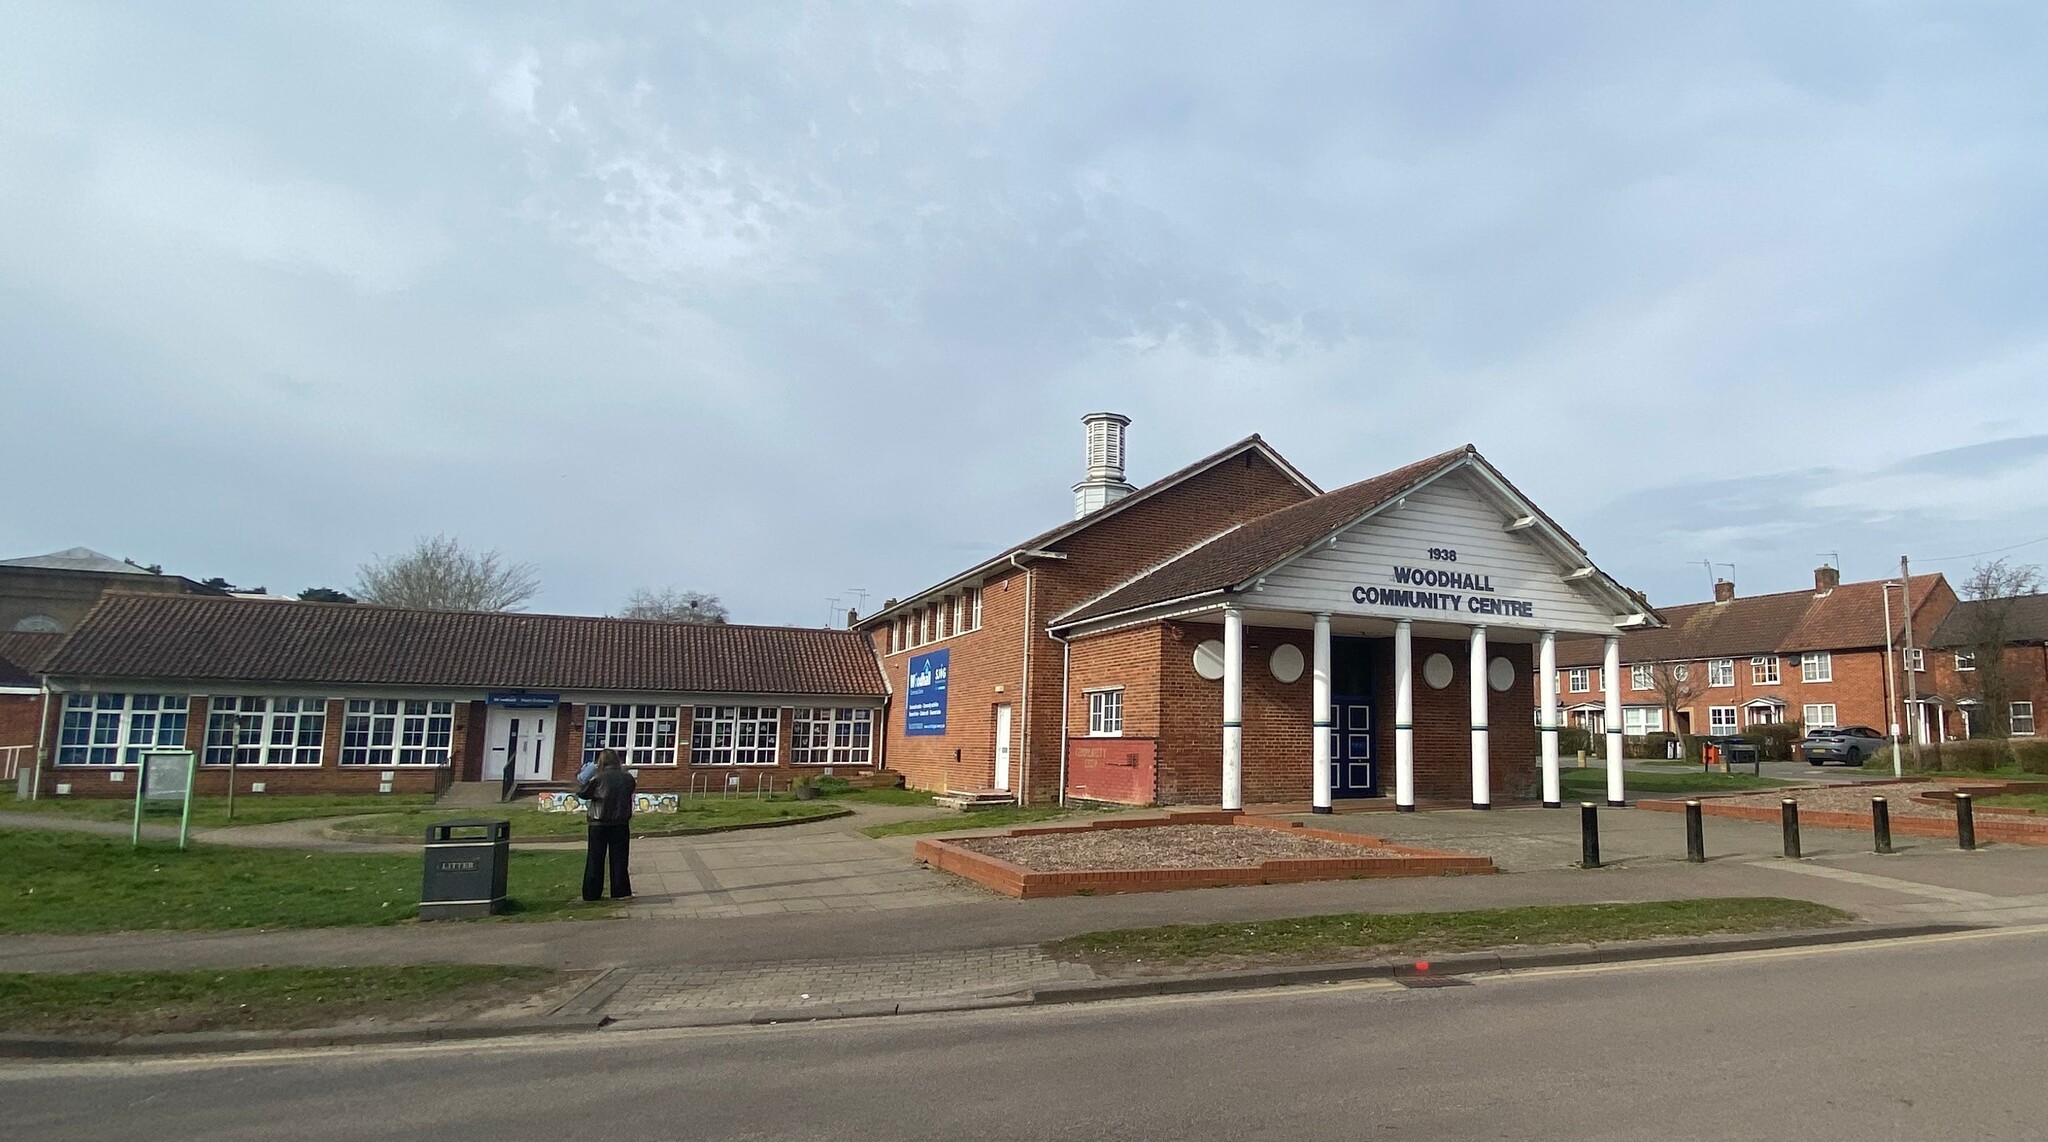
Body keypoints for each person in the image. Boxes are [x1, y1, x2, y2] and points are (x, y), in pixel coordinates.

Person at [578, 748, 636, 901]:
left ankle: (591, 893)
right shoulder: (627, 778)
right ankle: (621, 891)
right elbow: (630, 791)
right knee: (620, 859)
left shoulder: (598, 778)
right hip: (621, 822)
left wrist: (583, 775)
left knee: (595, 859)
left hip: (598, 822)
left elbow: (583, 793)